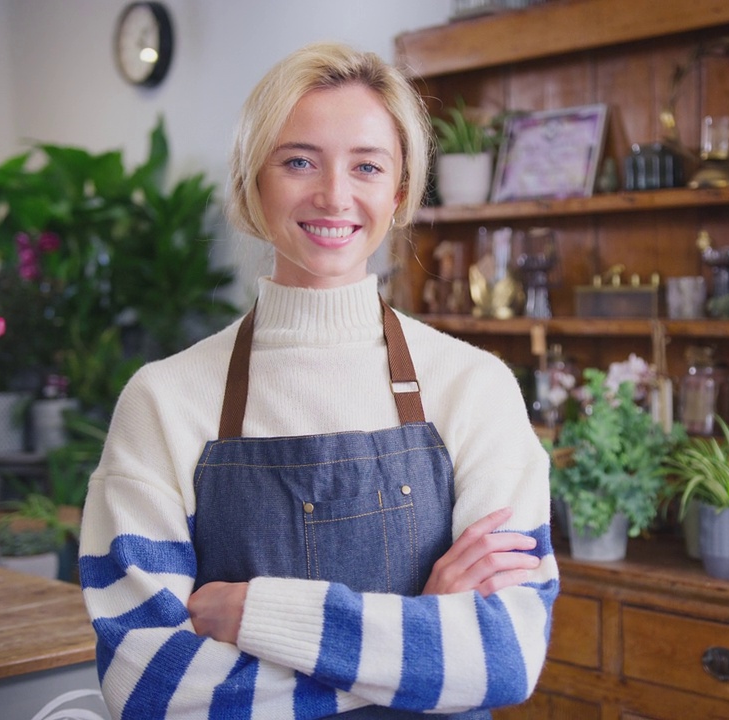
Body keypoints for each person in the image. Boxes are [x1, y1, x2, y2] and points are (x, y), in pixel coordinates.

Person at [78, 42, 558, 718]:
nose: (335, 195)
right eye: (298, 161)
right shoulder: (164, 401)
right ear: (254, 181)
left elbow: (503, 656)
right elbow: (148, 685)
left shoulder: (474, 387)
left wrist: (251, 612)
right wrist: (420, 630)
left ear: (397, 193)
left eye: (367, 166)